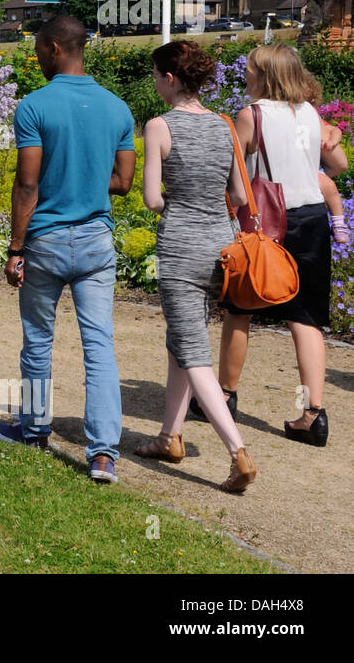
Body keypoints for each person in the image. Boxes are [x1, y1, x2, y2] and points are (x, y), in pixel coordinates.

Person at [0, 15, 136, 485]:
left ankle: (34, 430)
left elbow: (27, 183)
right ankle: (102, 456)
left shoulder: (34, 107)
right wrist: (87, 177)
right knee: (100, 346)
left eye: (37, 48)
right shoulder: (118, 108)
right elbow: (124, 182)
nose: (34, 56)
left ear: (55, 48)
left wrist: (16, 248)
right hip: (96, 242)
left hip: (48, 242)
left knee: (38, 340)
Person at [202, 45, 348, 447]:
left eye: (249, 69)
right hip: (313, 218)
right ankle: (312, 414)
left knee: (241, 308)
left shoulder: (253, 115)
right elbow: (339, 167)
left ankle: (225, 396)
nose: (244, 74)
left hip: (269, 222)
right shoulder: (310, 114)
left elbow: (233, 170)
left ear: (264, 75)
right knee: (305, 317)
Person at [133, 41, 256, 492]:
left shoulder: (159, 126)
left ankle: (237, 451)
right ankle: (170, 436)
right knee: (182, 342)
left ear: (169, 78)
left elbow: (151, 199)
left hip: (181, 249)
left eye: (156, 75)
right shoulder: (225, 125)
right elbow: (240, 198)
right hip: (221, 249)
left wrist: (177, 198)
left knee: (193, 353)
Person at [303, 72, 348, 244]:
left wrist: (331, 141)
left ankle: (339, 224)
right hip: (309, 168)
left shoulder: (313, 117)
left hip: (313, 167)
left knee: (330, 187)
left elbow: (335, 130)